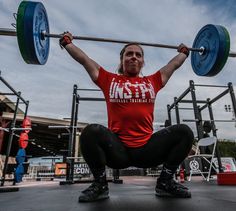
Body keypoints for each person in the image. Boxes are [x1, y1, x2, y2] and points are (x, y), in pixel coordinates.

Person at [59, 32, 194, 202]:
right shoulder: (108, 80)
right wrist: (67, 43)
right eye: (129, 54)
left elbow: (173, 64)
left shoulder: (152, 81)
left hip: (147, 150)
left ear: (143, 61)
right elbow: (85, 60)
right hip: (118, 151)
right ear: (122, 60)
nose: (134, 57)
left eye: (138, 55)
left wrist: (184, 52)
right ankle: (100, 185)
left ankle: (165, 183)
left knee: (184, 132)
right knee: (90, 131)